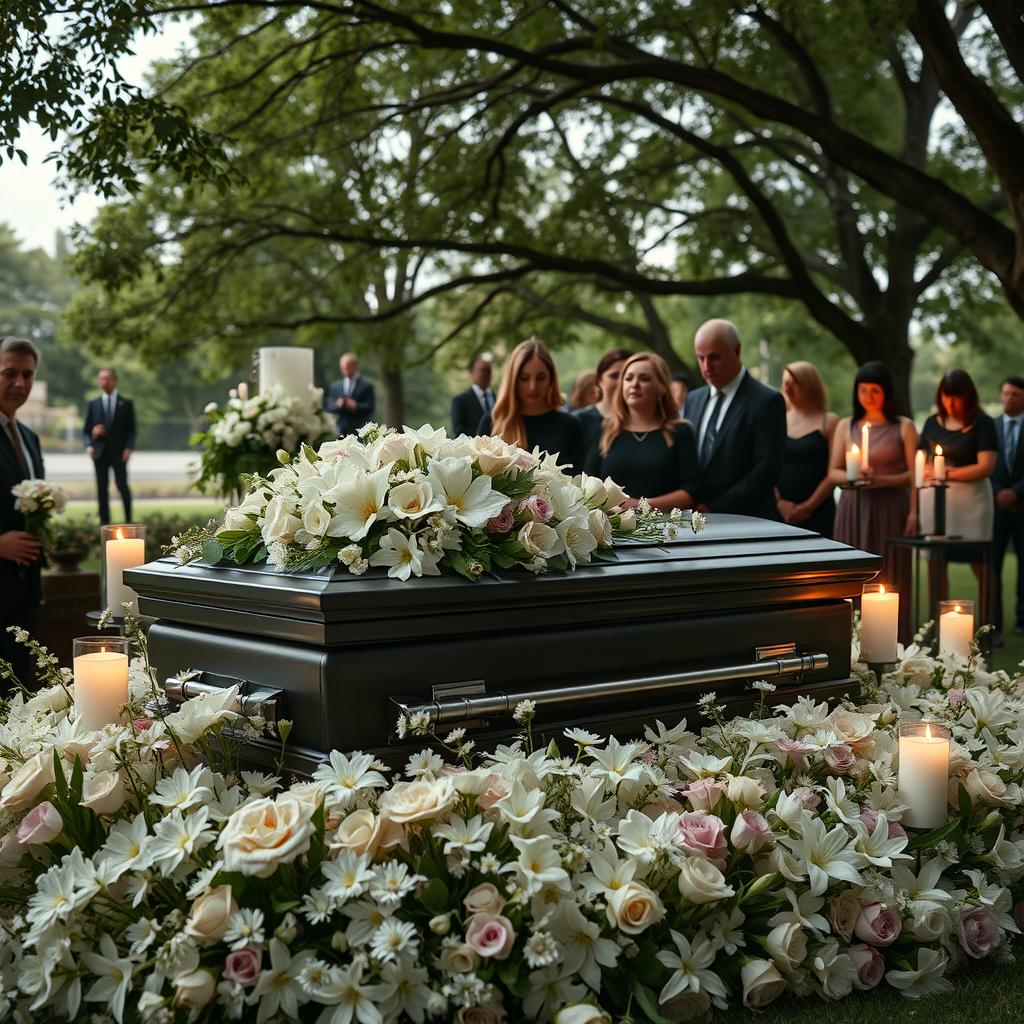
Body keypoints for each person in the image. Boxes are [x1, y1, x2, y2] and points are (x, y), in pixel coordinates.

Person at [829, 361, 917, 634]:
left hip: (890, 508)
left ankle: (893, 637)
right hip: (853, 508)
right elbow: (833, 473)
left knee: (889, 572)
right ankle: (850, 636)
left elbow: (914, 476)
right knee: (851, 573)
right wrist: (853, 478)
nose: (868, 396)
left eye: (875, 390)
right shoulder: (846, 425)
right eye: (863, 390)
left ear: (886, 393)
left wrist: (911, 510)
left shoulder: (903, 426)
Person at [682, 319, 786, 518]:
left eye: (714, 357)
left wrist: (714, 508)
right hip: (695, 519)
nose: (707, 366)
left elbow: (766, 472)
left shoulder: (767, 401)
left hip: (749, 520)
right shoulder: (692, 399)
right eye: (700, 358)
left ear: (737, 350)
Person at [585, 352, 698, 509]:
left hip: (664, 529)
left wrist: (640, 505)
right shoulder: (604, 430)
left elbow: (691, 492)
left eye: (644, 379)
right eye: (628, 378)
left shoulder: (680, 431)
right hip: (612, 529)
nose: (634, 384)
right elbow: (587, 485)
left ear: (662, 387)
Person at [918, 369, 996, 590]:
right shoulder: (932, 423)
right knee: (936, 561)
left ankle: (989, 620)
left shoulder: (983, 423)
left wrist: (945, 473)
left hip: (972, 502)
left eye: (957, 396)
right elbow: (921, 460)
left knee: (978, 561)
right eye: (946, 396)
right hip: (935, 502)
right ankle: (937, 619)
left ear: (968, 396)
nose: (951, 403)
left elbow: (986, 466)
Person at [0, 337, 45, 692]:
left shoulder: (28, 437)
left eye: (27, 375)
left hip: (26, 592)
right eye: (9, 373)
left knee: (21, 691)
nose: (20, 383)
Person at [479, 337, 585, 474]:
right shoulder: (491, 423)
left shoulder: (570, 426)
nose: (532, 386)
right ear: (513, 380)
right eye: (524, 378)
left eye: (541, 378)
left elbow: (576, 486)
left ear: (551, 378)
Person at [776, 361, 837, 536]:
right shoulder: (777, 419)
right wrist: (780, 504)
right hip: (781, 513)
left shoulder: (829, 421)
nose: (788, 389)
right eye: (785, 383)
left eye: (794, 383)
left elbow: (833, 472)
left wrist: (807, 506)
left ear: (809, 385)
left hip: (819, 512)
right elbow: (767, 465)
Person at [992, 375, 1024, 642]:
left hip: (1022, 507)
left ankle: (1023, 620)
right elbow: (987, 464)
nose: (1008, 398)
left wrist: (1015, 492)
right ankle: (995, 622)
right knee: (993, 566)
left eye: (1014, 394)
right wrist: (999, 493)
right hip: (995, 509)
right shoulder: (992, 427)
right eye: (1005, 393)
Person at [83, 367, 136, 525]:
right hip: (99, 453)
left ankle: (128, 520)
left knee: (122, 486)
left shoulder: (126, 403)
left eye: (107, 378)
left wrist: (128, 448)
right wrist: (90, 443)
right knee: (101, 489)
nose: (103, 382)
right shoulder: (93, 403)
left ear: (114, 380)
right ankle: (104, 524)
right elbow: (86, 431)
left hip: (120, 453)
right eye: (101, 379)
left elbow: (131, 430)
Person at [573, 347, 633, 453]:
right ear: (599, 379)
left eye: (628, 376)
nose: (621, 382)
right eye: (614, 376)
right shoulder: (579, 420)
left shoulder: (645, 421)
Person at [325, 353, 375, 436]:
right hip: (340, 430)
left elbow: (370, 406)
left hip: (360, 429)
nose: (345, 369)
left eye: (348, 366)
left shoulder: (366, 385)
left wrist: (355, 406)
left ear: (355, 366)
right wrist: (338, 404)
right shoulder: (335, 386)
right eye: (343, 366)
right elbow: (328, 406)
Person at [451, 354, 495, 437]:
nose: (486, 374)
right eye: (483, 370)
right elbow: (459, 431)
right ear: (472, 372)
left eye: (488, 370)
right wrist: (486, 438)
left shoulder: (499, 398)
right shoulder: (460, 401)